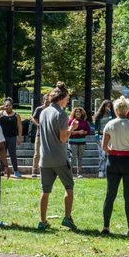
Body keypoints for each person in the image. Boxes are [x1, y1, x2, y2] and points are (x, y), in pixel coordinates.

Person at [100, 96, 129, 236]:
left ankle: (106, 227)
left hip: (113, 161)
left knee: (110, 195)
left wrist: (113, 152)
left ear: (115, 109)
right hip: (128, 161)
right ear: (128, 109)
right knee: (128, 196)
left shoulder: (109, 124)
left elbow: (104, 146)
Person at [37, 82, 79, 230]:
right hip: (60, 158)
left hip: (45, 158)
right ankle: (67, 218)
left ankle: (42, 221)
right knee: (69, 187)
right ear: (61, 98)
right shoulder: (61, 114)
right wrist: (71, 128)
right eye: (67, 98)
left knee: (45, 190)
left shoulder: (44, 112)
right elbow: (63, 138)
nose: (67, 101)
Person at [0, 98, 23, 178]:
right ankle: (1, 171)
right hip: (2, 137)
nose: (8, 107)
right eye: (6, 105)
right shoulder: (1, 113)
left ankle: (15, 171)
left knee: (13, 154)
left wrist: (19, 137)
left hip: (12, 137)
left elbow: (19, 127)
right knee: (2, 154)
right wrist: (0, 108)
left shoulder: (16, 115)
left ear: (12, 106)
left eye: (9, 105)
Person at [93, 99, 115, 178]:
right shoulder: (99, 115)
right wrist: (96, 138)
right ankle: (101, 170)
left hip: (110, 137)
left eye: (109, 106)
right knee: (101, 155)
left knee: (108, 155)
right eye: (106, 105)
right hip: (100, 136)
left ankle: (107, 170)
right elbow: (95, 128)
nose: (108, 107)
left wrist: (110, 113)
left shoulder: (112, 115)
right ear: (103, 106)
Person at [31, 94, 51, 178]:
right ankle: (35, 170)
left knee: (48, 153)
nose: (47, 101)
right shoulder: (39, 109)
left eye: (48, 99)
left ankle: (48, 170)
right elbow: (33, 118)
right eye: (46, 99)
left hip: (50, 135)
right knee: (37, 153)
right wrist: (37, 124)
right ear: (43, 100)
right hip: (39, 134)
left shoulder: (52, 109)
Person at [68, 106, 91, 178]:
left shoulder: (84, 122)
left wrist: (84, 132)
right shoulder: (70, 121)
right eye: (77, 112)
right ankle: (69, 173)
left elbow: (88, 131)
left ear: (82, 113)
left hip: (82, 142)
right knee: (73, 157)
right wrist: (78, 132)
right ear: (74, 113)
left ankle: (79, 173)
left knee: (80, 158)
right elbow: (69, 132)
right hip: (72, 142)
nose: (78, 113)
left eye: (79, 112)